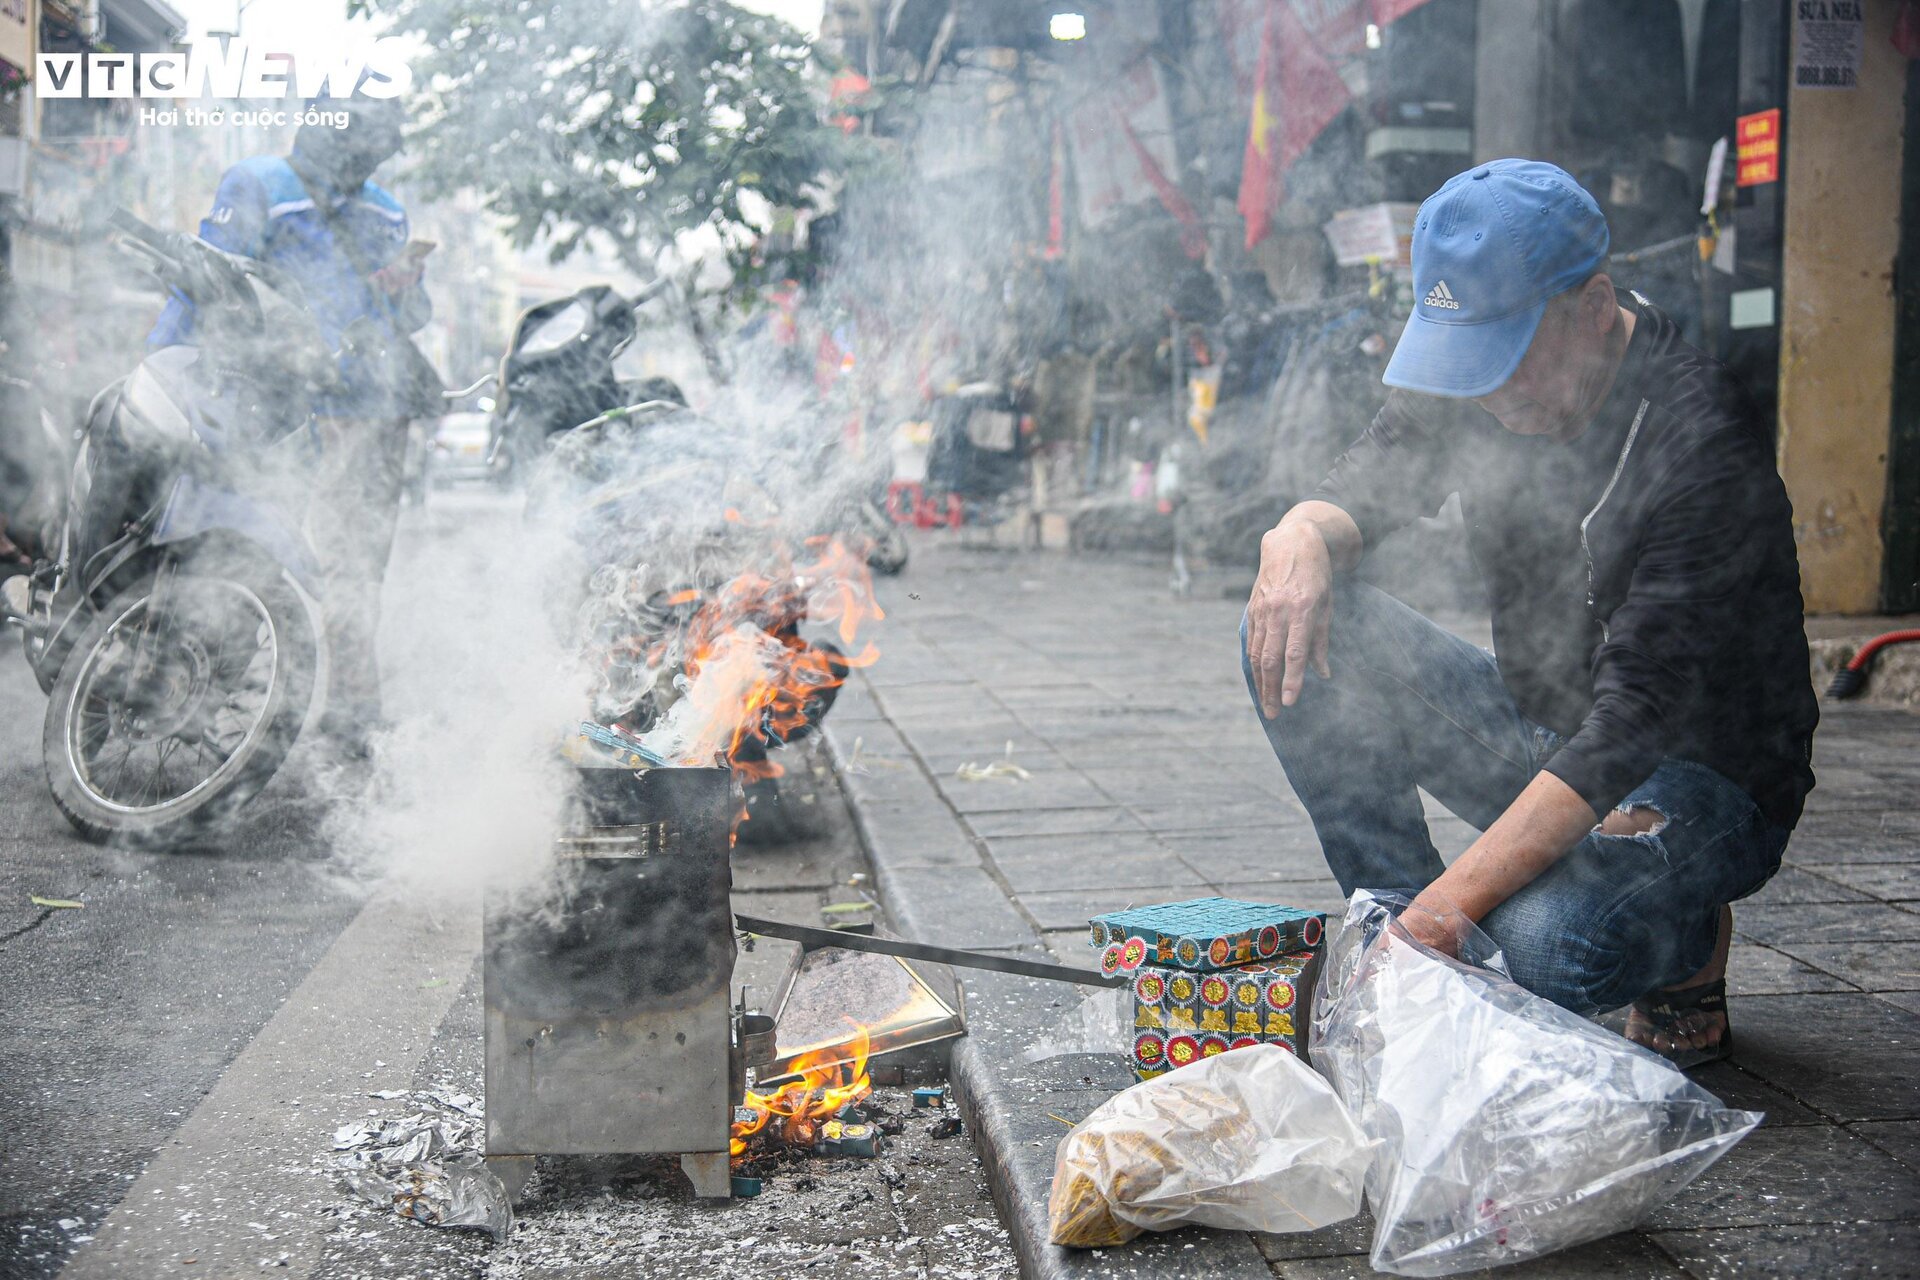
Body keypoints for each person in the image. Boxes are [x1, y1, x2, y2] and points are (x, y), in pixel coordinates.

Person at [1241, 159, 1817, 1069]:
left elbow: (1633, 722)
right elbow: (1375, 472)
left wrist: (1450, 916)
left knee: (1548, 942)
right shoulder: (1480, 382)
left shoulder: (1700, 439)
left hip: (1698, 779)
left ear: (1593, 308)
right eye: (1467, 365)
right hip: (1543, 732)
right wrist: (1299, 535)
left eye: (1507, 362)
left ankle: (1678, 935)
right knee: (1295, 623)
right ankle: (1393, 928)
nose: (1488, 394)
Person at [149, 96, 435, 755]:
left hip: (346, 407)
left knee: (346, 560)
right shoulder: (264, 184)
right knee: (267, 547)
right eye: (365, 141)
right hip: (283, 402)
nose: (369, 156)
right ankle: (228, 699)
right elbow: (209, 279)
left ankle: (348, 712)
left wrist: (405, 286)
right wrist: (166, 359)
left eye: (379, 146)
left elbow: (405, 315)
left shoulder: (383, 210)